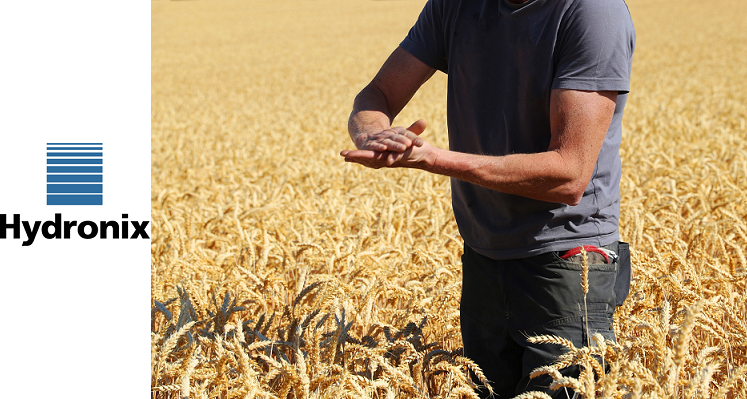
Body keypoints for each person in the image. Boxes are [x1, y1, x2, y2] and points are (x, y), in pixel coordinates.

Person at [340, 0, 635, 397]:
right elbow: (379, 93)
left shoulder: (591, 12)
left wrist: (435, 158)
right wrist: (372, 133)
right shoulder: (455, 6)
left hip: (566, 262)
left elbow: (569, 174)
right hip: (483, 256)